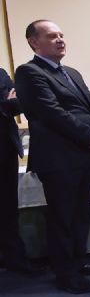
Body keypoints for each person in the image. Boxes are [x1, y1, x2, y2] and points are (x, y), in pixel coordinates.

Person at [15, 20, 90, 294]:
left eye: (61, 35)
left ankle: (79, 262)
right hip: (59, 159)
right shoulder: (29, 72)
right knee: (62, 218)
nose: (60, 40)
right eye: (52, 36)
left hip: (83, 154)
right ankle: (66, 275)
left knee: (81, 214)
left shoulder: (72, 72)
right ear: (34, 42)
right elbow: (52, 113)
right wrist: (89, 136)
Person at [0, 67, 43, 274]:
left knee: (8, 209)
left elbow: (17, 103)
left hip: (5, 150)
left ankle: (14, 259)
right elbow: (7, 104)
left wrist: (8, 105)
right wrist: (4, 105)